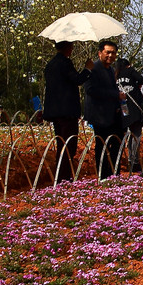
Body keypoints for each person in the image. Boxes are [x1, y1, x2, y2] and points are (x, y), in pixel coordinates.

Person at [42, 40, 93, 183]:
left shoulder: (50, 64)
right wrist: (87, 69)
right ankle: (63, 177)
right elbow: (77, 79)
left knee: (61, 144)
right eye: (71, 47)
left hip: (55, 111)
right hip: (67, 111)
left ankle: (62, 175)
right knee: (68, 145)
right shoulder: (65, 63)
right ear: (67, 48)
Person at [84, 40, 124, 180]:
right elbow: (90, 90)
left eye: (113, 53)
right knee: (102, 145)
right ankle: (103, 175)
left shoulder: (111, 70)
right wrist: (114, 95)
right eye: (108, 52)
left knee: (116, 142)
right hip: (99, 114)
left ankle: (114, 173)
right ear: (100, 53)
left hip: (113, 114)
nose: (110, 55)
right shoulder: (93, 68)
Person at [117, 58, 143, 173]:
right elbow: (140, 79)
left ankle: (125, 160)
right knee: (136, 134)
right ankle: (134, 161)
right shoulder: (129, 71)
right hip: (134, 109)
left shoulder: (115, 74)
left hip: (123, 107)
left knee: (127, 134)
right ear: (128, 65)